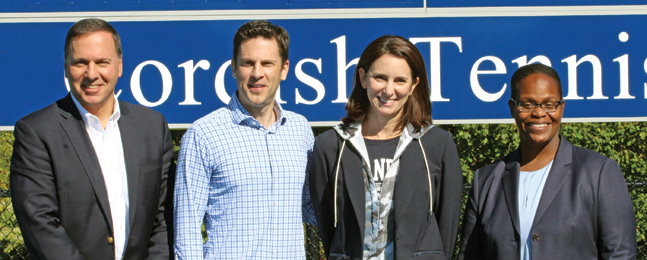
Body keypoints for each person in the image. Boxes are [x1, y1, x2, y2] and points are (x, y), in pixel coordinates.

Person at [10, 18, 174, 260]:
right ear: (66, 67)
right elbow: (40, 223)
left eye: (102, 62)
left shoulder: (152, 126)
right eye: (80, 63)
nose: (91, 73)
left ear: (119, 65)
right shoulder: (36, 132)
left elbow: (161, 218)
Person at [459, 63, 637, 260]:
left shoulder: (598, 173)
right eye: (528, 104)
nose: (539, 113)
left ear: (561, 107)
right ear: (512, 108)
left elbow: (620, 254)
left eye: (549, 104)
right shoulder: (486, 181)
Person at [309, 35, 463, 260]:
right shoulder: (331, 146)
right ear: (363, 77)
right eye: (380, 78)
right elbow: (328, 227)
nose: (389, 90)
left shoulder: (437, 145)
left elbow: (447, 231)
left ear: (413, 85)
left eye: (400, 80)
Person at [173, 20, 316, 259]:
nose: (257, 73)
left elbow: (311, 209)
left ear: (284, 69)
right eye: (248, 63)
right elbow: (186, 231)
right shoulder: (203, 134)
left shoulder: (300, 130)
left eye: (267, 64)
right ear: (234, 68)